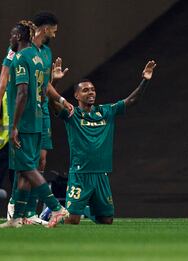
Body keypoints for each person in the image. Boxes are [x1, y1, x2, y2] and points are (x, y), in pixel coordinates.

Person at [0, 11, 70, 225]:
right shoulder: (17, 52)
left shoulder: (43, 53)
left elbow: (41, 87)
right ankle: (18, 212)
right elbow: (3, 80)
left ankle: (29, 213)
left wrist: (59, 95)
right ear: (43, 28)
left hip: (37, 116)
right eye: (54, 29)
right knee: (25, 167)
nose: (55, 34)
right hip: (26, 116)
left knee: (35, 164)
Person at [50, 60, 156, 225]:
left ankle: (88, 214)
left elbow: (131, 101)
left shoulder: (106, 111)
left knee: (106, 220)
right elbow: (52, 103)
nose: (91, 92)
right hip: (80, 175)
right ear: (77, 96)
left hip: (101, 174)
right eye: (85, 90)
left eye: (92, 89)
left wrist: (145, 80)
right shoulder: (72, 114)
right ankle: (52, 215)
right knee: (72, 220)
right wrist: (54, 81)